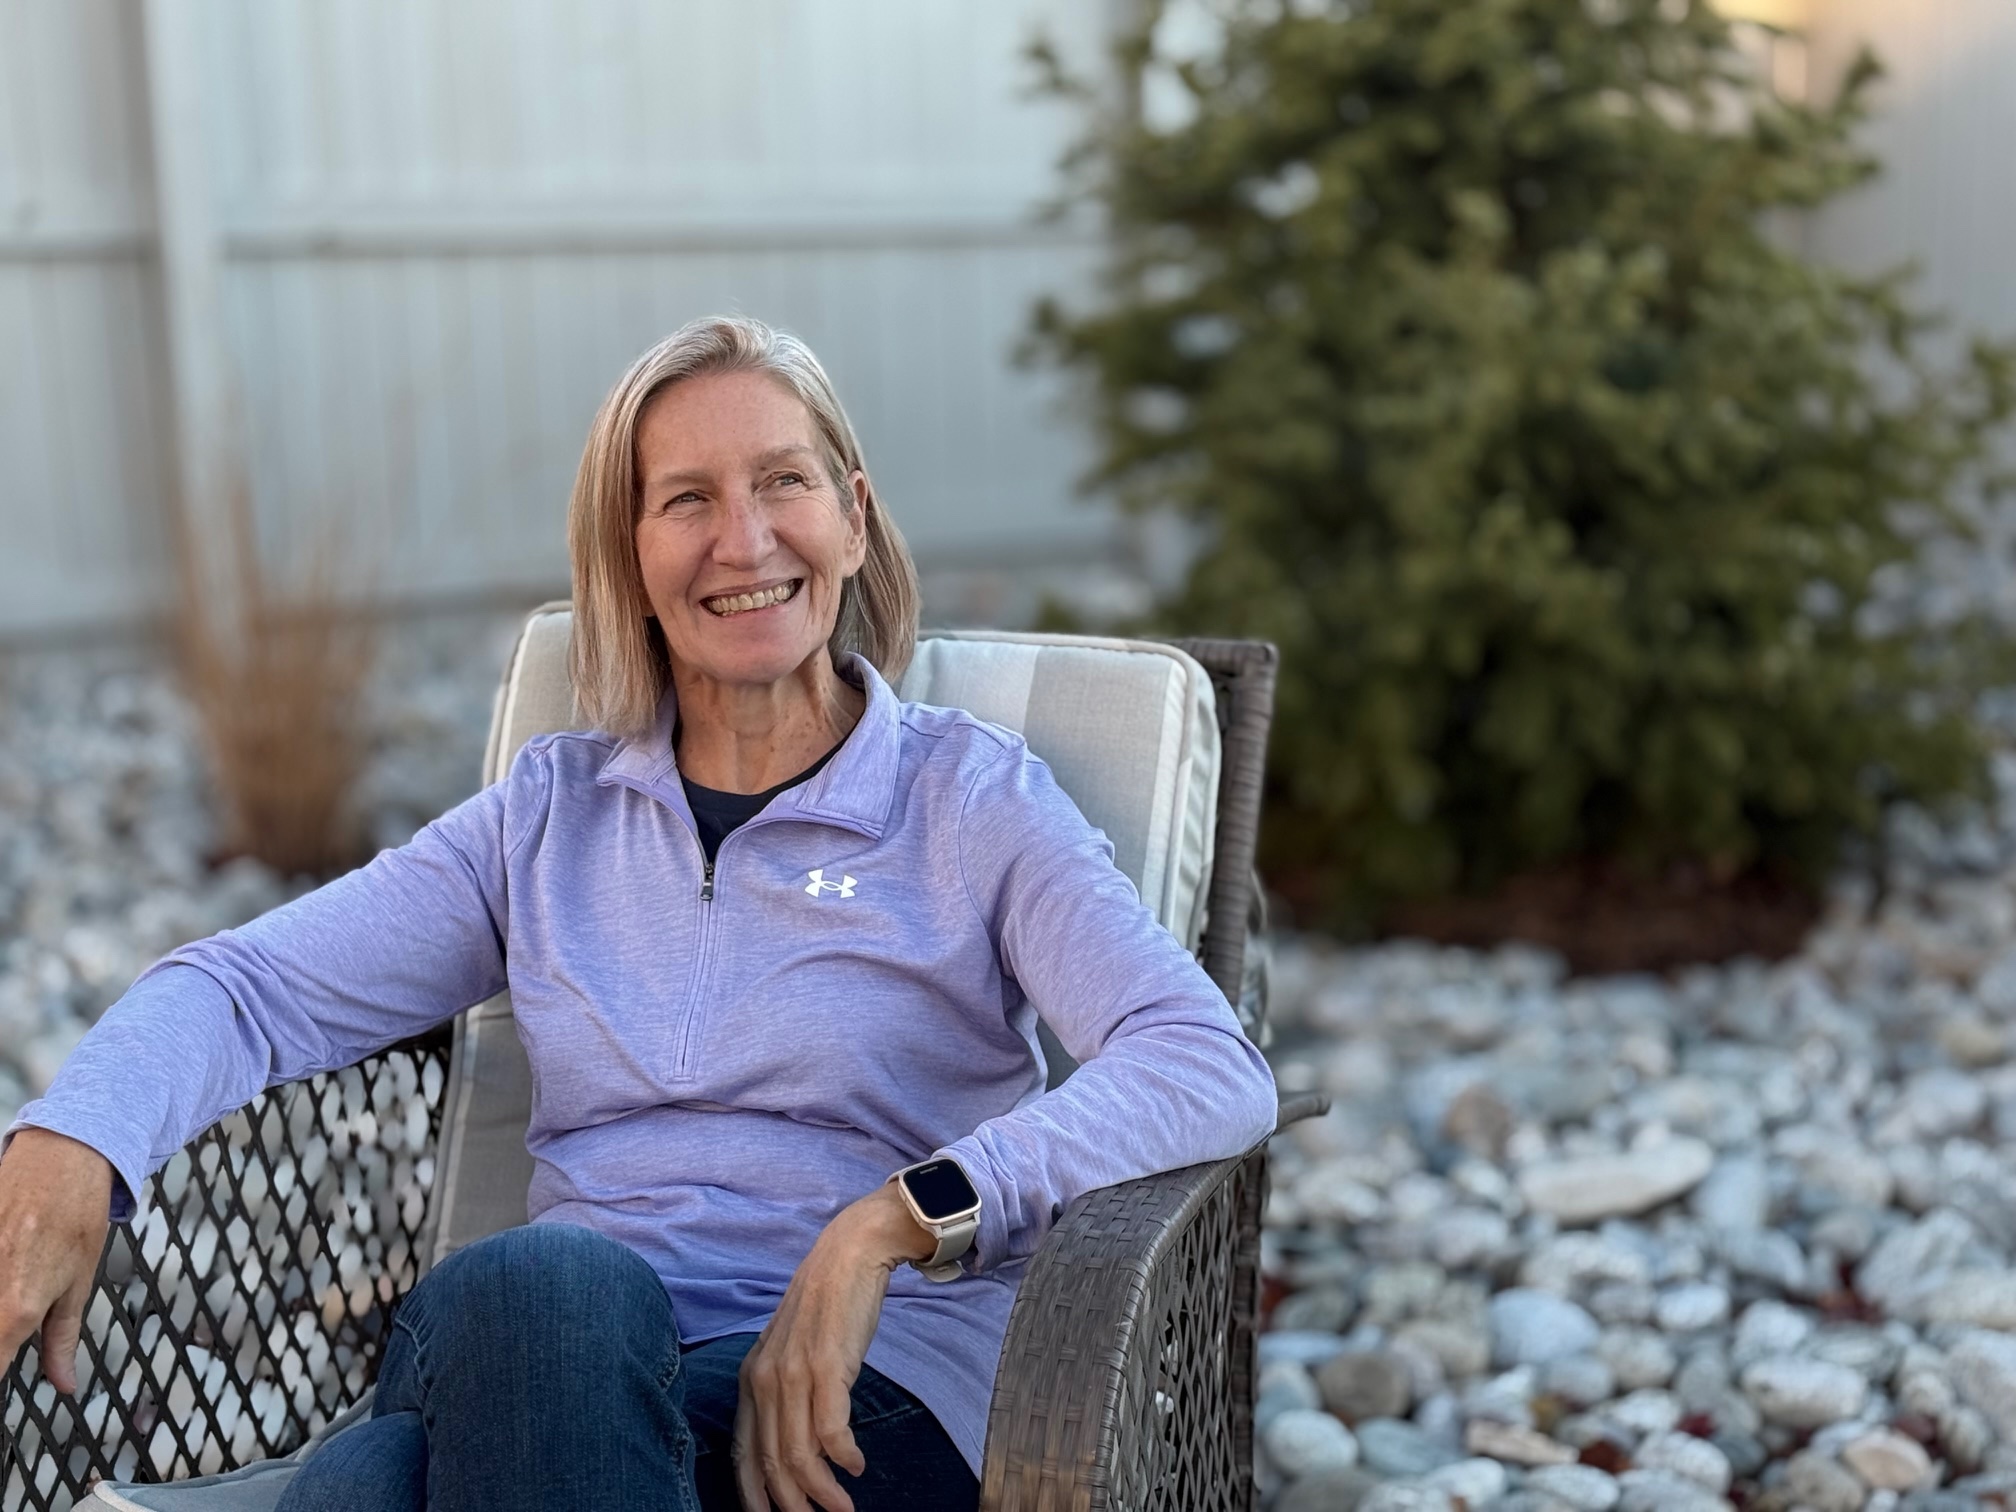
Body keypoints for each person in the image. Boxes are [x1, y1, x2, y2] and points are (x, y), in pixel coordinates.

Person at [0, 315, 1279, 1512]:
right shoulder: (548, 816)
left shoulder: (971, 802)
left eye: (783, 482)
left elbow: (1200, 1060)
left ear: (853, 519)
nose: (745, 540)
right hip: (550, 1363)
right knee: (547, 1295)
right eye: (687, 500)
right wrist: (74, 1137)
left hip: (856, 1401)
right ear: (631, 557)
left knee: (376, 1478)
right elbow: (249, 989)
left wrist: (892, 1223)